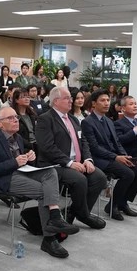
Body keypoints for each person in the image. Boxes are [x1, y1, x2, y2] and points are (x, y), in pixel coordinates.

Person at [0, 107, 79, 258]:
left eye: (16, 117)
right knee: (43, 192)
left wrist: (29, 157)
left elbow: (23, 162)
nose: (15, 120)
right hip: (5, 179)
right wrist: (14, 162)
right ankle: (49, 238)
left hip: (21, 173)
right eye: (10, 118)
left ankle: (54, 216)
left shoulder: (18, 138)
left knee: (50, 172)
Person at [35, 87, 107, 230]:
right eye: (67, 98)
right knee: (79, 179)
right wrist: (69, 163)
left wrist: (88, 159)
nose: (71, 100)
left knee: (99, 177)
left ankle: (75, 213)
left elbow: (83, 141)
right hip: (54, 165)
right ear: (56, 101)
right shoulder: (45, 119)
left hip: (76, 162)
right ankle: (83, 214)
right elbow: (47, 147)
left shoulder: (73, 119)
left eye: (70, 98)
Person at [81, 90, 137, 220]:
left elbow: (117, 142)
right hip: (100, 159)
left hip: (114, 156)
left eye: (108, 100)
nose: (106, 103)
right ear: (94, 104)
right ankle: (113, 206)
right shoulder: (87, 122)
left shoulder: (109, 121)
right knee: (128, 174)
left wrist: (124, 155)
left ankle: (122, 203)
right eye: (102, 100)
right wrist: (116, 157)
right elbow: (94, 148)